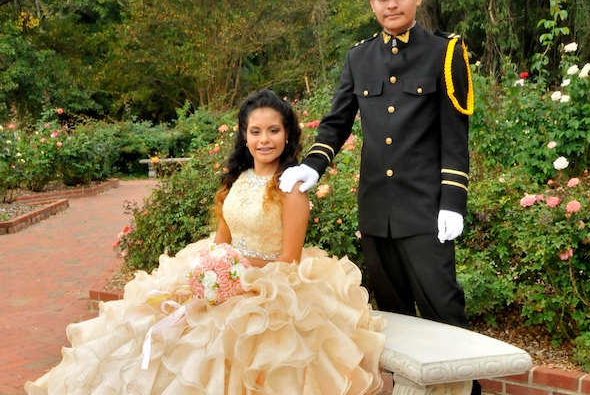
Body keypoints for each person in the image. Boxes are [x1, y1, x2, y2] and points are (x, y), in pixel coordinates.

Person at [25, 89, 385, 395]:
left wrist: (235, 273)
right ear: (244, 136)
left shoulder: (291, 187)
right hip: (225, 274)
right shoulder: (237, 179)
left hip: (272, 289)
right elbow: (221, 240)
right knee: (159, 326)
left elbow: (289, 259)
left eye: (273, 130)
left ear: (288, 135)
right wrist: (209, 271)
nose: (264, 140)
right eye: (256, 131)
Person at [279, 0, 479, 392]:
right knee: (393, 322)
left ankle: (467, 391)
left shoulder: (445, 52)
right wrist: (313, 165)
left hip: (426, 213)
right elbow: (336, 124)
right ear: (371, 3)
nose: (391, 4)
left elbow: (455, 136)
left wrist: (453, 201)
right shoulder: (359, 58)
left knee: (445, 311)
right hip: (376, 212)